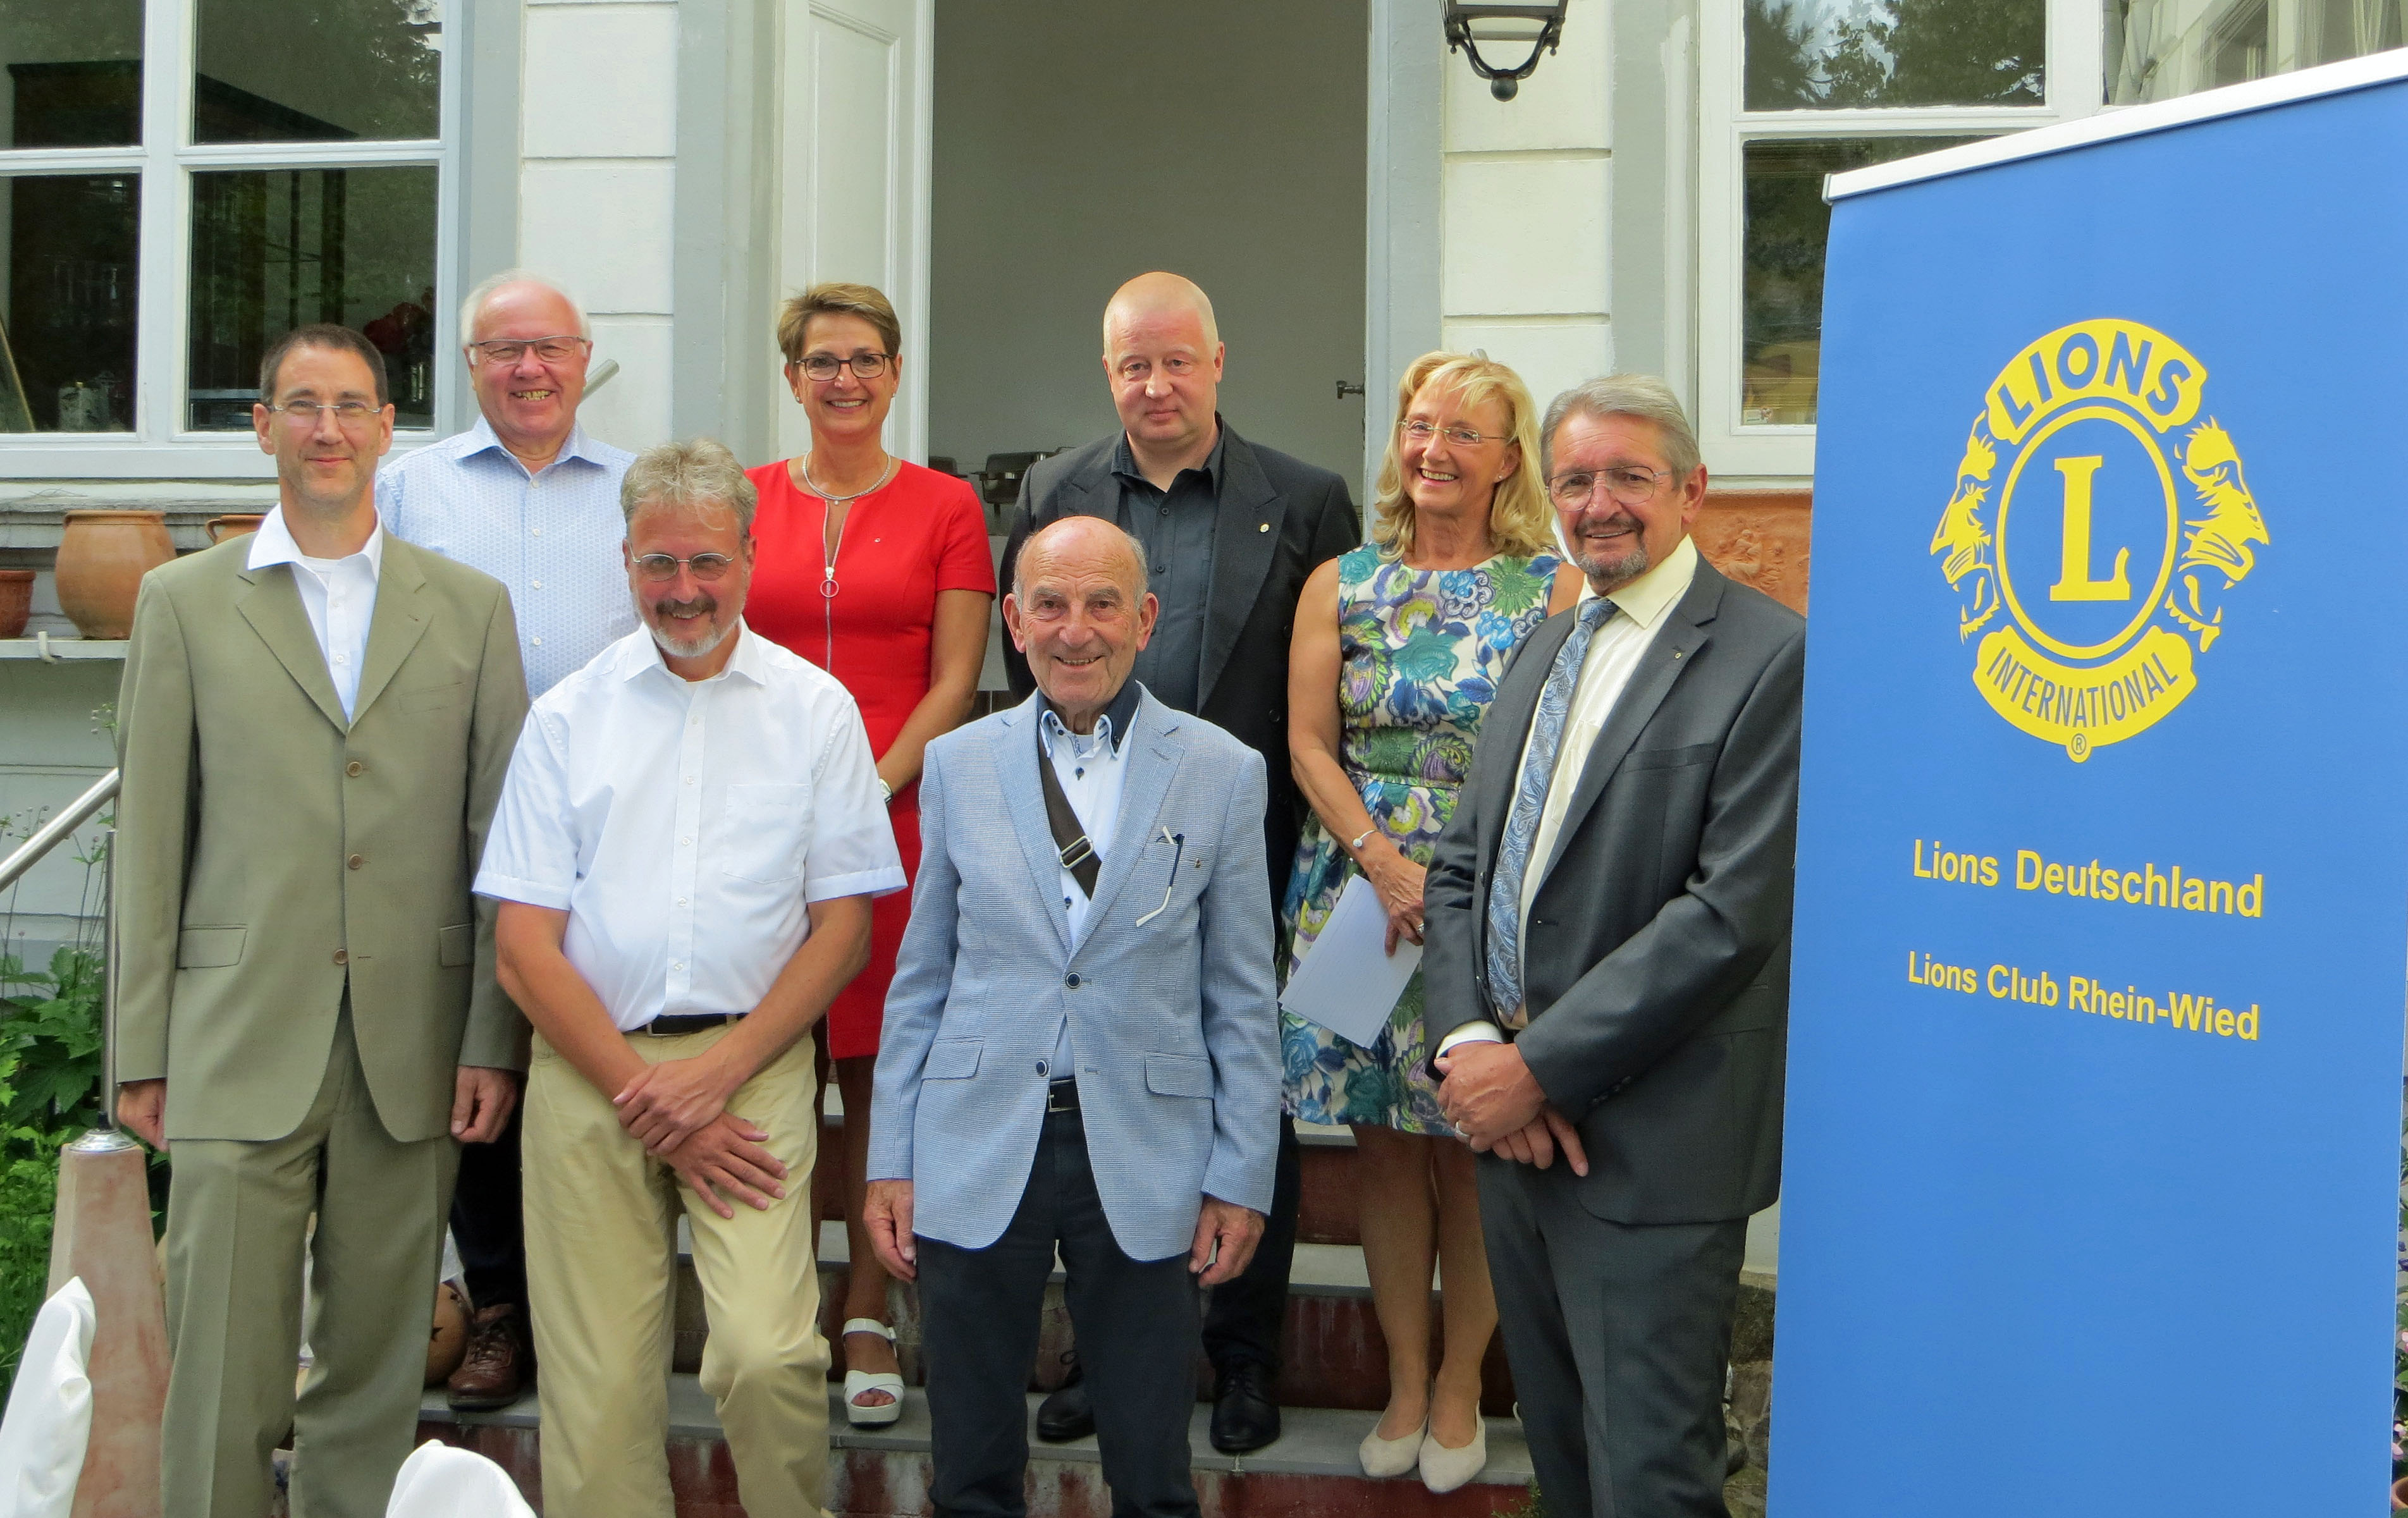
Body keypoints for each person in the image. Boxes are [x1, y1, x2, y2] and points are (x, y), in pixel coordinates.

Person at [113, 323, 529, 1517]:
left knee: (375, 1371)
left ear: (388, 429)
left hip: (413, 1040)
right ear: (263, 426)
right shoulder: (182, 603)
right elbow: (151, 836)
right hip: (235, 1036)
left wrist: (491, 1034)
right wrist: (142, 1047)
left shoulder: (468, 609)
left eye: (353, 405)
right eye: (303, 404)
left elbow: (494, 843)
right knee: (223, 1375)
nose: (329, 428)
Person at [475, 439, 904, 1516]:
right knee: (600, 1394)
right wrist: (649, 1096)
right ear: (625, 562)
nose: (684, 590)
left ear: (751, 558)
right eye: (659, 565)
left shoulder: (817, 711)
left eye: (706, 563)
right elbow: (524, 946)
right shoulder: (567, 716)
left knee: (766, 1355)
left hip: (751, 1069)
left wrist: (715, 1078)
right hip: (590, 1074)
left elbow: (842, 929)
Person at [1425, 376, 1803, 1518]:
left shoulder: (1769, 656)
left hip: (1651, 1153)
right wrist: (1471, 1043)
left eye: (1630, 477)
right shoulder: (1548, 647)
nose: (1599, 504)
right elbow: (1458, 871)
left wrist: (1538, 1068)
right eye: (1577, 479)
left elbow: (1728, 914)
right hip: (1517, 1144)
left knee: (1649, 1480)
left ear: (1692, 490)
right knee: (1569, 1469)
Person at [1005, 271, 1357, 1454]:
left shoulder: (1305, 502)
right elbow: (1033, 681)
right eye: (1131, 366)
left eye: (1176, 360)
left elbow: (1335, 700)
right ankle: (1117, 1355)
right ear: (1108, 373)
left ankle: (1246, 1356)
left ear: (1220, 359)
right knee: (1102, 1103)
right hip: (1090, 872)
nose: (1155, 385)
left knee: (1247, 1096)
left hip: (1248, 856)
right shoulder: (1054, 488)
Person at [865, 514, 1280, 1518]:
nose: (1075, 628)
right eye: (1049, 603)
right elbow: (923, 973)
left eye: (1103, 603)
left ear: (1145, 617)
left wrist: (1242, 1173)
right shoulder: (961, 762)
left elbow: (1241, 995)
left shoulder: (1222, 769)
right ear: (1013, 619)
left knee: (1152, 1474)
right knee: (970, 1471)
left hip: (1146, 1145)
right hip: (976, 1138)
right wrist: (892, 1156)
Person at [1282, 352, 1570, 1491]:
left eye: (1464, 430)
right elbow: (1309, 742)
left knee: (1473, 1144)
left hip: (1491, 889)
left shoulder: (1550, 587)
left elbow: (1560, 750)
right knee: (1383, 1146)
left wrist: (1448, 875)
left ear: (1509, 458)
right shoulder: (1339, 581)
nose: (1434, 448)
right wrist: (1380, 860)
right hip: (1356, 889)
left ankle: (1462, 1385)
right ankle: (1405, 1377)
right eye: (1417, 425)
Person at [378, 269, 637, 1410]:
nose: (528, 369)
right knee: (473, 1055)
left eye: (549, 348)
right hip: (448, 820)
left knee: (590, 1048)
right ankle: (496, 1306)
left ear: (584, 360)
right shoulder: (403, 492)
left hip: (612, 822)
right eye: (501, 351)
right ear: (469, 367)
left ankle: (593, 1296)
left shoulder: (641, 492)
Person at [743, 282, 993, 1424]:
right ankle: (771, 1301)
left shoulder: (948, 505)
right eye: (822, 361)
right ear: (791, 377)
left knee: (878, 1071)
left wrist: (866, 787)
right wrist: (793, 803)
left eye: (866, 359)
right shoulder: (741, 502)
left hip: (897, 818)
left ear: (897, 373)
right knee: (767, 1065)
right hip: (756, 826)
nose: (844, 379)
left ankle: (866, 1303)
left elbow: (956, 679)